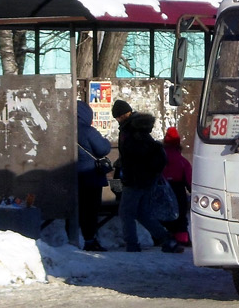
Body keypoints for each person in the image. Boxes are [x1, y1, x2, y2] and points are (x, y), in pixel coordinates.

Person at [115, 106, 182, 253]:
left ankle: (132, 245)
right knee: (142, 213)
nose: (118, 119)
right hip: (146, 179)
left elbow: (133, 156)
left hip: (134, 179)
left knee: (126, 212)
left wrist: (124, 163)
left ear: (125, 114)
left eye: (118, 116)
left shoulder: (131, 132)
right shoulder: (142, 133)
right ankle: (167, 239)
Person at [76, 100, 111, 251]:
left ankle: (72, 239)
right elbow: (103, 149)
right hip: (90, 178)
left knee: (76, 210)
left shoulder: (64, 130)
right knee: (90, 211)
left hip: (71, 178)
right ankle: (90, 240)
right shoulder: (88, 131)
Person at [161, 126, 193, 247]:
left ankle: (163, 236)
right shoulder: (182, 161)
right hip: (178, 189)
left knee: (164, 214)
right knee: (180, 216)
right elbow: (189, 180)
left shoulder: (160, 157)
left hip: (162, 189)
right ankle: (182, 238)